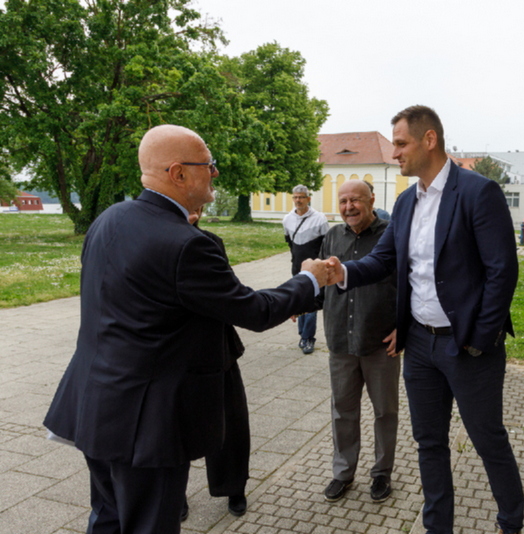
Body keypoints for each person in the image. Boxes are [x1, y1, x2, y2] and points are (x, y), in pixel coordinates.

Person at [43, 124, 329, 534]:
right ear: (178, 173)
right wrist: (309, 279)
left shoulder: (109, 218)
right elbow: (253, 311)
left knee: (107, 518)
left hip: (95, 407)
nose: (215, 172)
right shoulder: (186, 243)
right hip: (147, 423)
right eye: (208, 165)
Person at [328, 105, 524, 534]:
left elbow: (502, 272)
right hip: (419, 346)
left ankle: (511, 522)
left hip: (467, 346)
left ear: (429, 140)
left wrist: (480, 338)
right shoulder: (405, 202)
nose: (394, 153)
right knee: (429, 443)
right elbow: (383, 260)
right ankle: (438, 527)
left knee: (487, 439)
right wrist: (341, 272)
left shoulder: (478, 192)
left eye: (401, 143)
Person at [317, 179, 400, 504]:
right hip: (340, 339)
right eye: (343, 201)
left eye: (355, 200)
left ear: (371, 200)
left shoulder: (390, 235)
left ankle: (381, 473)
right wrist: (297, 302)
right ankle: (343, 472)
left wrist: (403, 327)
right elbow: (320, 281)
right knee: (343, 411)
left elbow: (410, 284)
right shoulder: (332, 236)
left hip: (380, 341)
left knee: (385, 412)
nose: (349, 207)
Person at [187, 207, 249, 518]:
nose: (194, 210)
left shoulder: (211, 241)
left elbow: (231, 290)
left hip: (217, 344)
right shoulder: (153, 238)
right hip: (176, 350)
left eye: (198, 206)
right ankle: (174, 492)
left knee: (230, 421)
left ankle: (233, 486)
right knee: (173, 425)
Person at [282, 185, 329, 354]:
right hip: (297, 266)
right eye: (295, 197)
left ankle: (308, 338)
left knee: (311, 301)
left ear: (308, 199)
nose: (298, 200)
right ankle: (303, 334)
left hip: (315, 267)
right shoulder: (287, 219)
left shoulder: (320, 219)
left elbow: (326, 244)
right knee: (299, 299)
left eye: (301, 197)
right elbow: (289, 242)